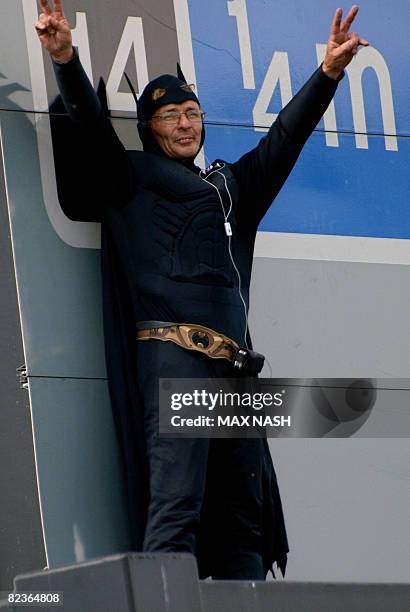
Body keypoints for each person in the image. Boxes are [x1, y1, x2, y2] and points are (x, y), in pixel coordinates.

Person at [35, 0, 368, 580]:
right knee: (175, 514)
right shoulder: (131, 180)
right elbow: (89, 127)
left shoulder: (234, 187)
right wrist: (65, 57)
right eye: (170, 117)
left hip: (236, 372)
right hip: (175, 362)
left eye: (193, 112)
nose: (185, 124)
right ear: (149, 128)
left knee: (245, 521)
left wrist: (329, 75)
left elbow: (284, 140)